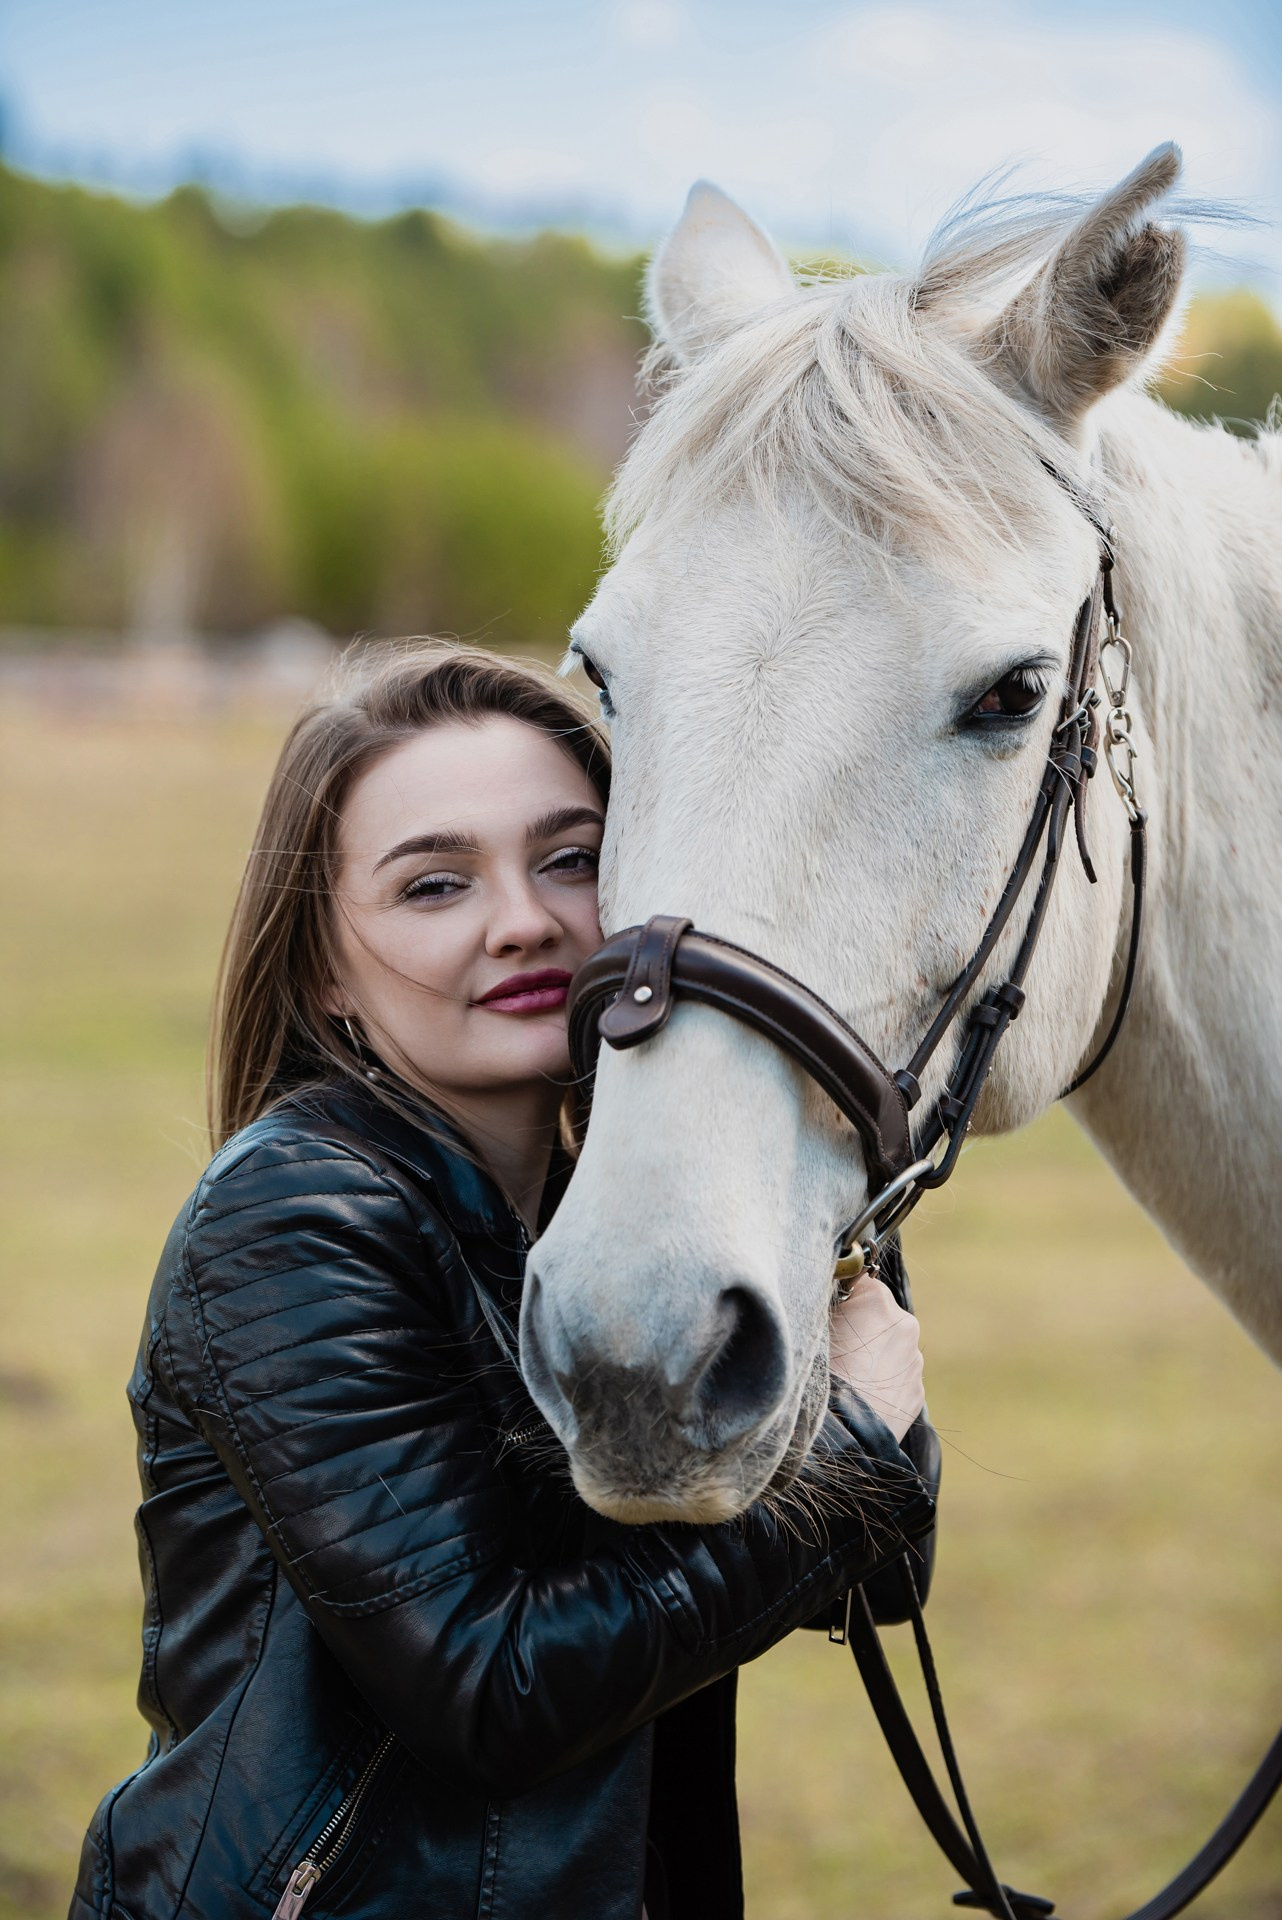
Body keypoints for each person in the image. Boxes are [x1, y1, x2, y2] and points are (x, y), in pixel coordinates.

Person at [71, 640, 932, 1920]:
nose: (524, 918)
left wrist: (812, 1191)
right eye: (433, 885)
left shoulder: (617, 1238)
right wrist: (851, 1439)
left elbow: (878, 1578)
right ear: (322, 971)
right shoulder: (296, 1217)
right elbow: (487, 1689)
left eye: (571, 858)